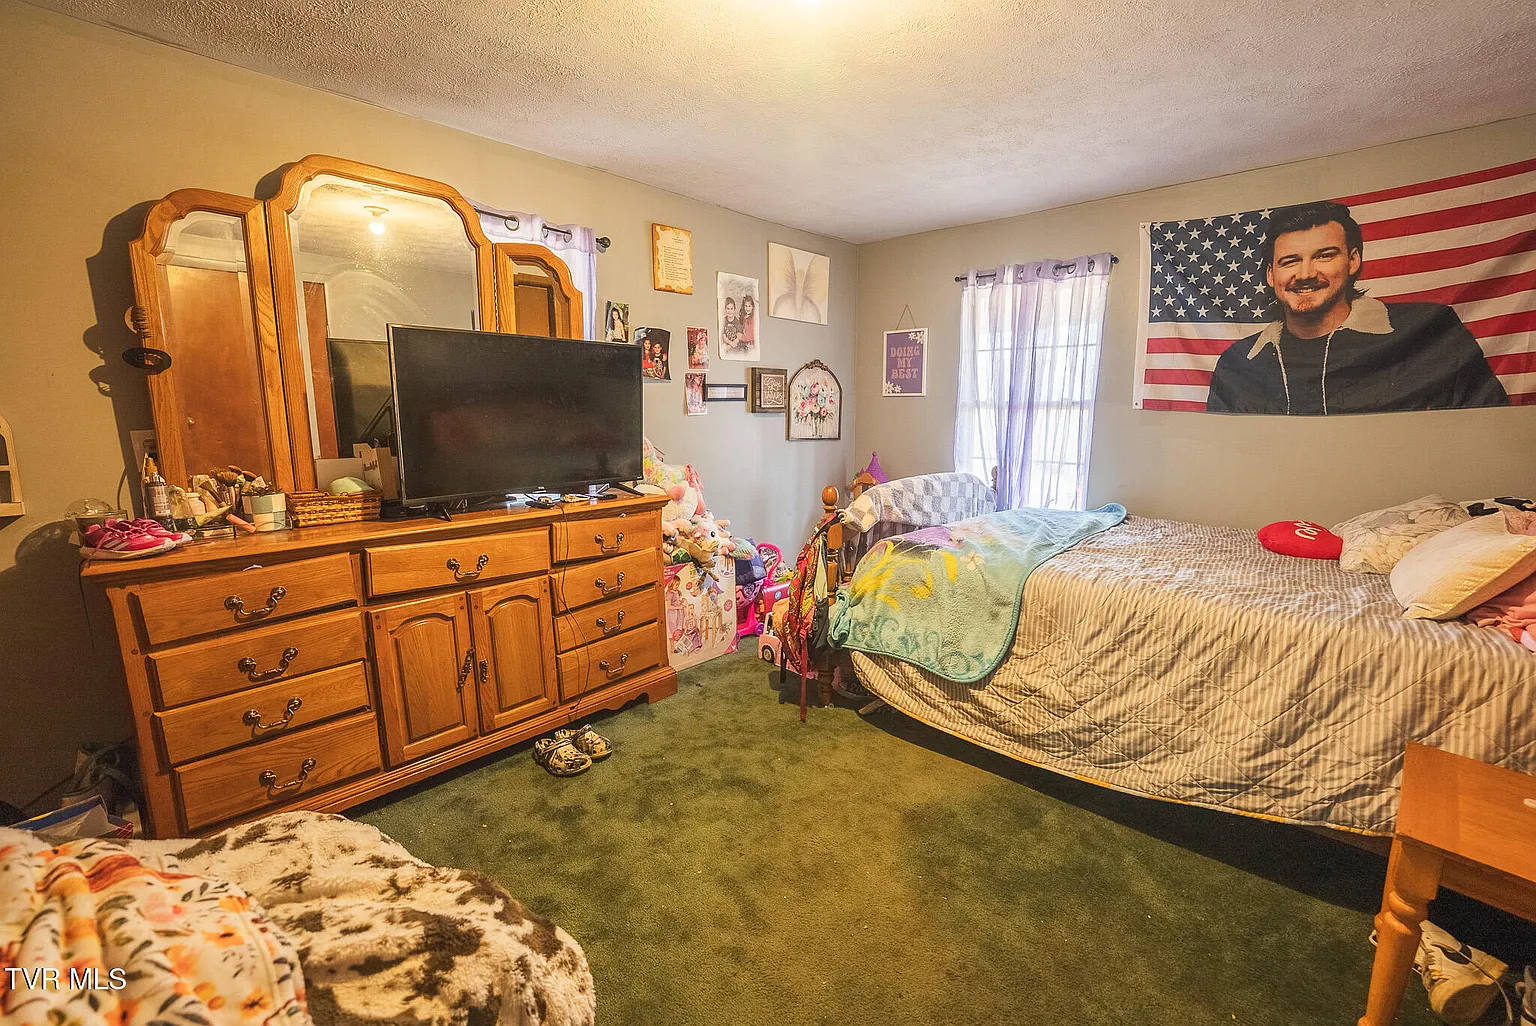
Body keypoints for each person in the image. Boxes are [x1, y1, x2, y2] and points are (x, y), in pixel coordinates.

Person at [1205, 200, 1507, 415]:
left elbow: (1486, 429)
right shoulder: (1238, 361)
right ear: (1271, 275)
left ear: (1353, 261)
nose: (1306, 273)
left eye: (1324, 256)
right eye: (1290, 261)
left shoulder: (1431, 330)